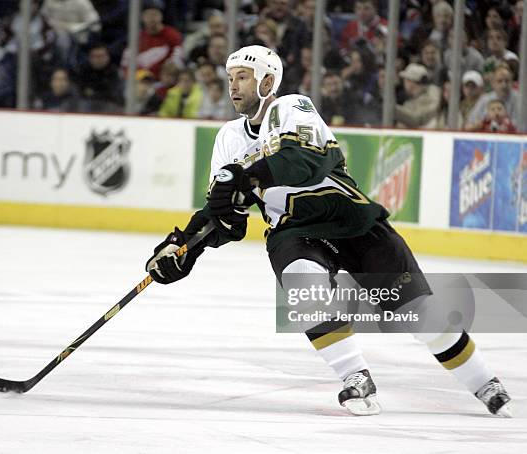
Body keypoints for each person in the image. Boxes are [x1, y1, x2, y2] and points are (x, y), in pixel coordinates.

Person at [144, 45, 512, 417]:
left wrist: (248, 175)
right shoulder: (228, 138)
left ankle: (484, 382)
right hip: (294, 231)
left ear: (267, 81)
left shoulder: (292, 107)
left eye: (242, 77)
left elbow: (304, 161)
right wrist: (186, 246)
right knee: (303, 284)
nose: (233, 86)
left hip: (350, 219)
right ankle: (355, 376)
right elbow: (225, 214)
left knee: (418, 312)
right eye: (230, 79)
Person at [394, 63, 440, 129]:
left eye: (406, 80)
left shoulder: (433, 92)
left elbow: (416, 119)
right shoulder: (410, 101)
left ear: (411, 82)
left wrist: (392, 108)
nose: (404, 84)